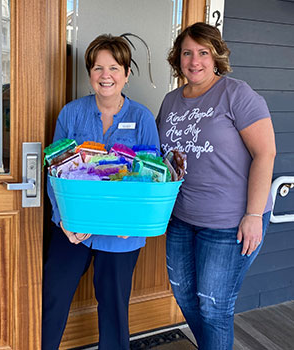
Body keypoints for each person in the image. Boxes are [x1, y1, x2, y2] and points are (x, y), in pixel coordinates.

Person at [157, 22, 276, 350]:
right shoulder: (169, 102)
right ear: (177, 58)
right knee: (184, 296)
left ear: (216, 56)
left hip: (230, 223)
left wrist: (253, 214)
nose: (194, 61)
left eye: (203, 53)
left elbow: (265, 153)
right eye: (187, 53)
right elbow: (161, 160)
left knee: (214, 306)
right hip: (181, 219)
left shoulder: (236, 94)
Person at [42, 34, 160, 350]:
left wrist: (133, 223)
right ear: (89, 73)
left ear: (126, 73)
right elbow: (55, 171)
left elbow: (151, 178)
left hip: (121, 234)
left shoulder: (142, 118)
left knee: (114, 308)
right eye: (97, 68)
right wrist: (64, 221)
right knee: (52, 300)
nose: (105, 76)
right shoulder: (71, 113)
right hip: (73, 229)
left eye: (114, 68)